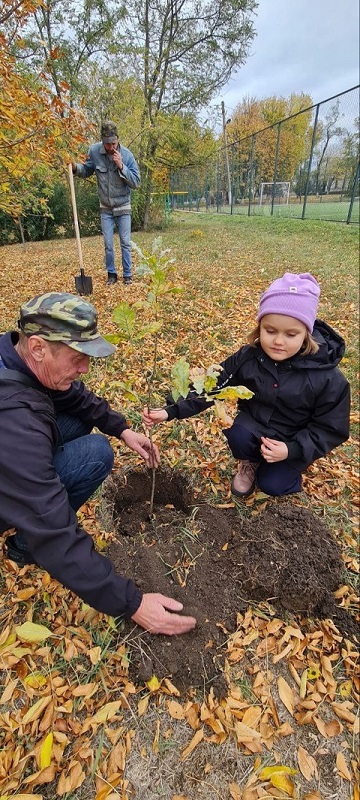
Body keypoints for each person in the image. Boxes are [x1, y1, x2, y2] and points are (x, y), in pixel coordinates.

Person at [0, 292, 196, 636]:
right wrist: (132, 603)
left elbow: (74, 396)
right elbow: (55, 532)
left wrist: (122, 429)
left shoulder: (16, 357)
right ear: (37, 347)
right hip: (12, 474)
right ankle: (22, 546)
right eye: (77, 357)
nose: (85, 368)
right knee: (96, 453)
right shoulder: (15, 423)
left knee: (79, 418)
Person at [143, 272, 350, 498]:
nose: (278, 341)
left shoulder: (328, 378)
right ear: (259, 327)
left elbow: (330, 428)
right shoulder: (249, 357)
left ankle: (286, 467)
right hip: (256, 426)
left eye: (291, 334)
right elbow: (214, 385)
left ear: (306, 334)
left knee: (273, 485)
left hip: (294, 438)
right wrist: (170, 410)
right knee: (239, 436)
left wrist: (292, 450)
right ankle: (250, 462)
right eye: (270, 331)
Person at [72, 121, 140, 286]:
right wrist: (75, 167)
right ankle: (112, 274)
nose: (110, 147)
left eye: (113, 143)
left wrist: (121, 166)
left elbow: (136, 182)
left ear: (118, 140)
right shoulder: (94, 151)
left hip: (123, 206)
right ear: (102, 140)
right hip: (106, 208)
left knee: (125, 242)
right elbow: (87, 169)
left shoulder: (127, 155)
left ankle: (128, 275)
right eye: (107, 143)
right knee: (108, 243)